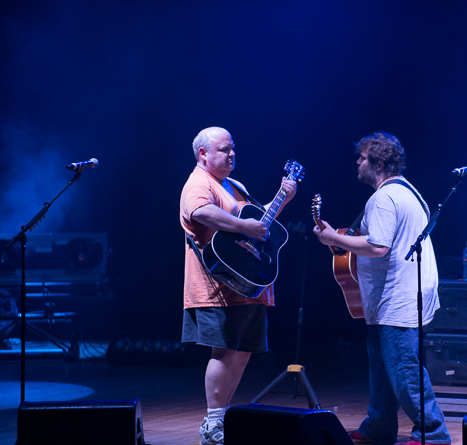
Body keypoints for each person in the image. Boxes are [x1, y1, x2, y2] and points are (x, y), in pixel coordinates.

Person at [313, 131, 451, 445]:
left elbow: (378, 246)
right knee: (382, 365)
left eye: (362, 158)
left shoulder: (383, 198)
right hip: (399, 293)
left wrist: (334, 238)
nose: (357, 163)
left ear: (377, 163)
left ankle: (434, 433)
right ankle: (378, 427)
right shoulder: (408, 191)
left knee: (402, 368)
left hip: (397, 296)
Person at [179, 126, 297, 445]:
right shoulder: (199, 183)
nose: (232, 154)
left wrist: (283, 198)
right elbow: (201, 212)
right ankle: (213, 422)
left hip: (248, 284)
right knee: (223, 352)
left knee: (243, 352)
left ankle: (223, 416)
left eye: (233, 148)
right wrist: (243, 225)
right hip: (217, 285)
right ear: (203, 153)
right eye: (224, 149)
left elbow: (259, 223)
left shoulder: (234, 185)